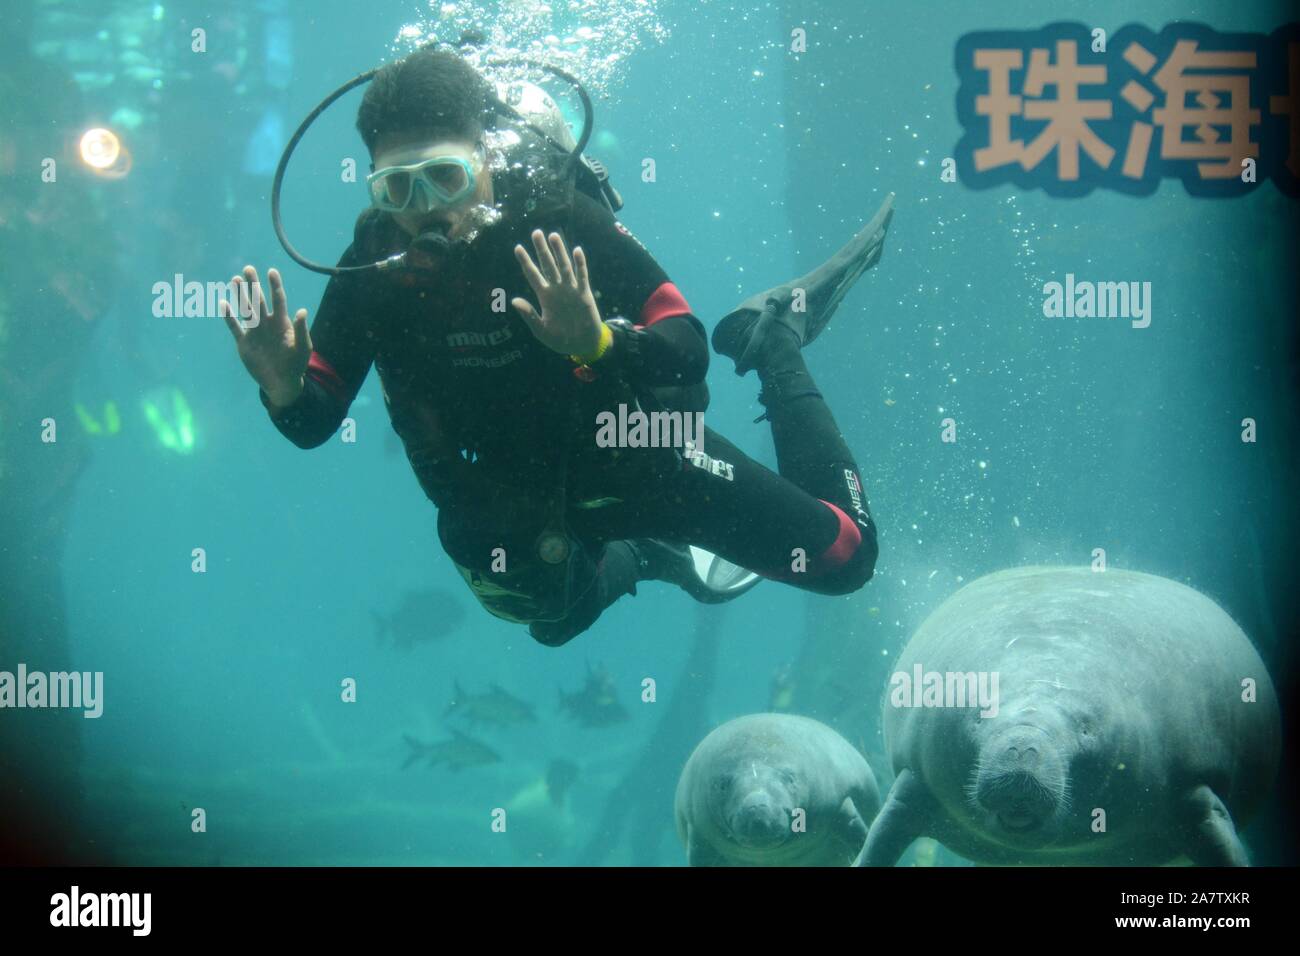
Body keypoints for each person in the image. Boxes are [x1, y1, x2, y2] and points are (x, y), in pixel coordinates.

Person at [223, 48, 887, 646]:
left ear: (486, 157)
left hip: (628, 454)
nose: (425, 211)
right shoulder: (374, 269)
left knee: (845, 560)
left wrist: (596, 342)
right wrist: (283, 386)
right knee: (550, 619)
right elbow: (313, 422)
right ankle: (655, 555)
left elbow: (685, 348)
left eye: (446, 178)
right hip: (503, 504)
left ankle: (773, 340)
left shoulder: (556, 217)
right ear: (372, 184)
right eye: (397, 187)